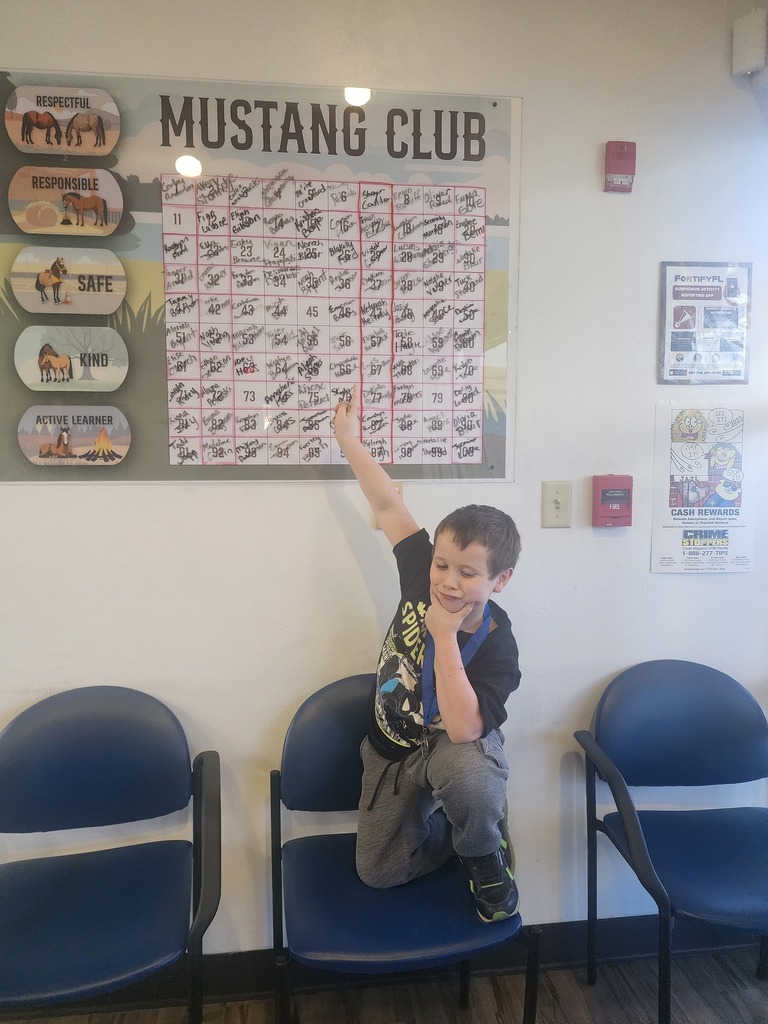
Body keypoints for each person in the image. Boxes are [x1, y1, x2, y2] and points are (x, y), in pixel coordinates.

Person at [332, 385, 522, 923]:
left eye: (468, 573)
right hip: (391, 752)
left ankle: (485, 856)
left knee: (469, 773)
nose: (449, 582)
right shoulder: (420, 569)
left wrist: (443, 635)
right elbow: (388, 502)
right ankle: (455, 838)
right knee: (379, 871)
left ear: (499, 580)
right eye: (443, 566)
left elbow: (464, 730)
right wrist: (348, 440)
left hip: (449, 745)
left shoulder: (499, 643)